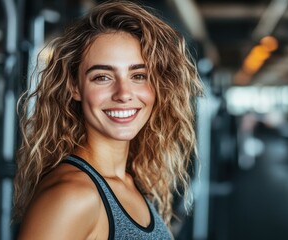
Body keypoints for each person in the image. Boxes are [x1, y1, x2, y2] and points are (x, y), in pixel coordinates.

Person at [13, 0, 203, 239]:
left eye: (138, 75)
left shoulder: (130, 181)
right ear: (75, 87)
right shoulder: (72, 195)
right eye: (102, 77)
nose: (123, 94)